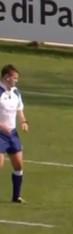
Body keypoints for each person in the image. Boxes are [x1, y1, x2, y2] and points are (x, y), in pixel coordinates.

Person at [0, 64, 29, 203]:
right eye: (15, 78)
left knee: (18, 166)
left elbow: (19, 109)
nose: (16, 80)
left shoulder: (16, 92)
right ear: (6, 77)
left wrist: (24, 121)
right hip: (0, 135)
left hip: (12, 134)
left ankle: (16, 196)